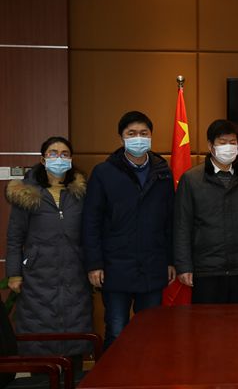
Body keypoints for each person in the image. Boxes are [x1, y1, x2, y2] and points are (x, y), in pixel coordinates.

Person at [82, 111, 175, 349]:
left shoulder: (162, 172)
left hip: (153, 266)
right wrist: (94, 264)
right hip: (115, 267)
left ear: (151, 136)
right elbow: (91, 222)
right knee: (116, 331)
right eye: (131, 133)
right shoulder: (104, 172)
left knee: (151, 332)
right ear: (122, 137)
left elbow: (170, 221)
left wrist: (170, 260)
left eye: (144, 133)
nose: (138, 138)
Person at [5, 137, 93, 358]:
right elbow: (14, 238)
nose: (59, 158)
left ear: (71, 159)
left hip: (75, 274)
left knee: (76, 332)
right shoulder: (27, 193)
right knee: (38, 331)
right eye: (53, 153)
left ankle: (73, 372)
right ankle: (42, 375)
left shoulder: (82, 193)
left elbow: (92, 233)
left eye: (64, 154)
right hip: (37, 276)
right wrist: (14, 274)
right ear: (43, 160)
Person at [174, 120, 238, 304]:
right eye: (222, 142)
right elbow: (182, 225)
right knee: (206, 321)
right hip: (206, 269)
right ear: (210, 145)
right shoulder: (191, 179)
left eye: (233, 142)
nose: (228, 147)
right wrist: (183, 266)